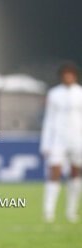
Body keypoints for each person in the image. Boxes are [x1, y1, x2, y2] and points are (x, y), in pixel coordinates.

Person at [40, 62, 82, 223]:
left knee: (75, 173)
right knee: (54, 172)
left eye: (70, 74)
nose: (68, 77)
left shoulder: (80, 93)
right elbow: (49, 119)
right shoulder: (54, 94)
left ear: (75, 76)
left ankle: (71, 211)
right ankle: (48, 211)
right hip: (58, 139)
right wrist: (45, 143)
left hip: (78, 139)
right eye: (65, 74)